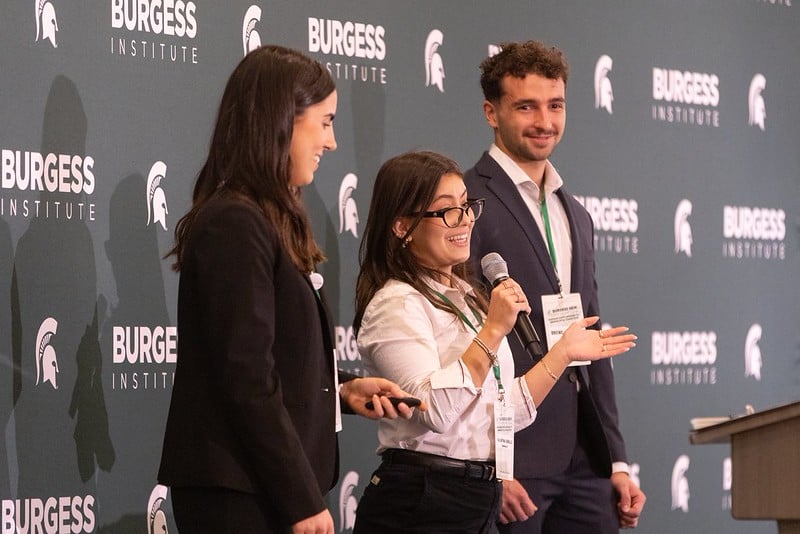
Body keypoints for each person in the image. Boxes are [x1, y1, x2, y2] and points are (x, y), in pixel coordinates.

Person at [157, 45, 421, 534]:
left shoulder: (262, 218)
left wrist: (341, 388)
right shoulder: (235, 222)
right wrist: (300, 499)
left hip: (259, 487)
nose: (332, 142)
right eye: (325, 122)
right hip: (241, 493)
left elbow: (274, 355)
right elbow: (245, 376)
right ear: (281, 121)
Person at [351, 150, 636, 533]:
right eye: (447, 210)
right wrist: (493, 331)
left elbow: (500, 411)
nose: (465, 220)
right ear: (403, 227)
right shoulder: (397, 303)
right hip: (422, 499)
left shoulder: (466, 297)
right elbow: (434, 411)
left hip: (476, 496)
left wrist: (563, 353)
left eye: (466, 206)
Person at [464, 40, 647, 532]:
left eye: (555, 105)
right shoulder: (466, 201)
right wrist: (492, 464)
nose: (544, 121)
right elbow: (458, 338)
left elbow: (592, 335)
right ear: (491, 112)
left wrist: (616, 460)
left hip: (585, 458)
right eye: (526, 106)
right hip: (513, 458)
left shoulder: (576, 213)